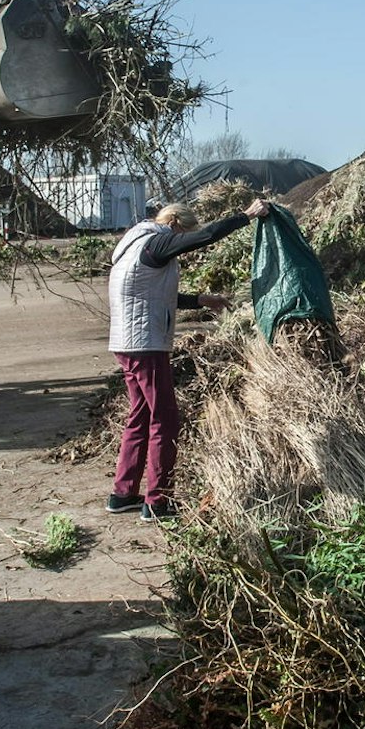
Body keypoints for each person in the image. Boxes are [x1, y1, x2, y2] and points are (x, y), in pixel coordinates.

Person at [106, 198, 270, 522]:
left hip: (126, 343)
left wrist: (200, 299)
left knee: (140, 415)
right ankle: (157, 502)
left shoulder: (132, 246)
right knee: (165, 420)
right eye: (184, 232)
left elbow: (149, 293)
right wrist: (246, 215)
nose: (183, 240)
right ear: (175, 225)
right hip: (146, 344)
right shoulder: (158, 240)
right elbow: (206, 236)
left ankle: (122, 494)